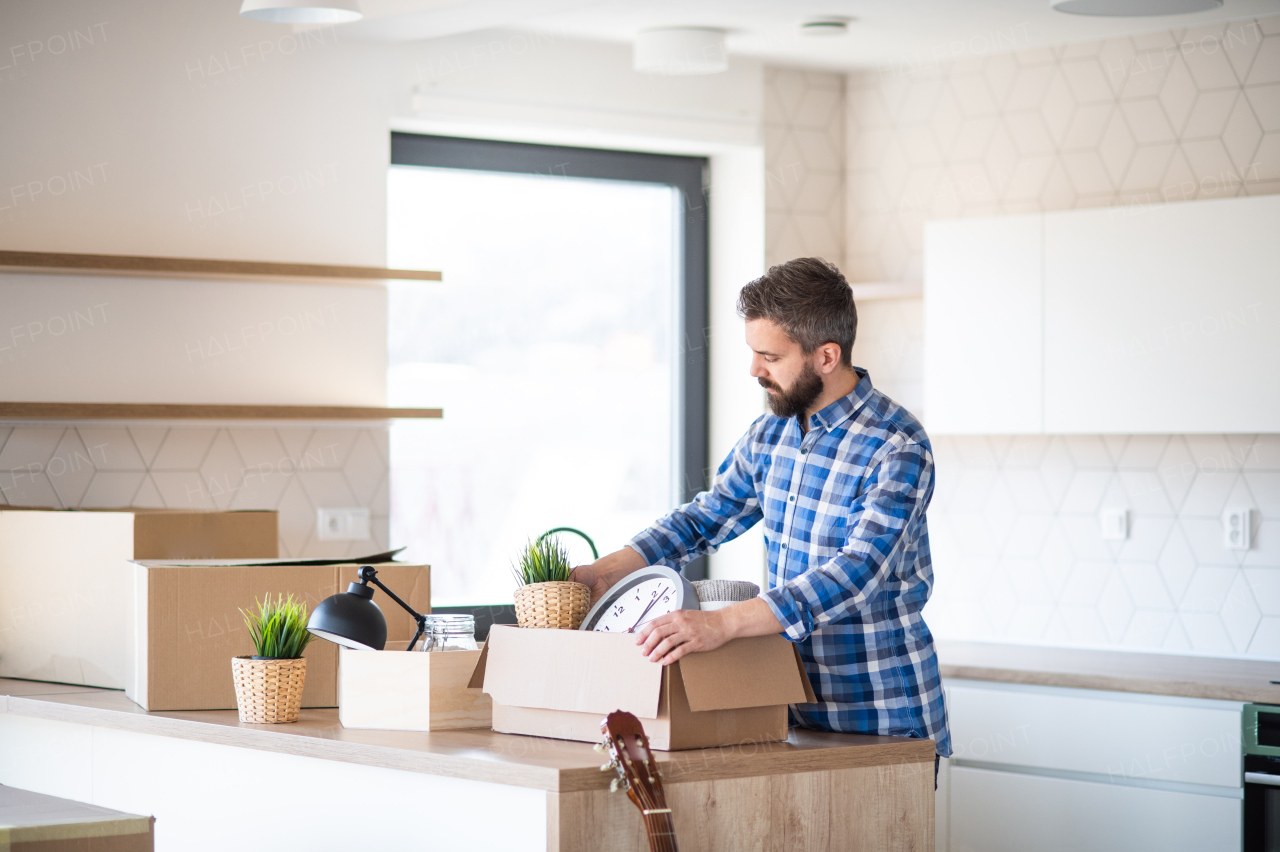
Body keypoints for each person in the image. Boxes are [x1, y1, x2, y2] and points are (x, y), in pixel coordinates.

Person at [571, 256, 951, 768]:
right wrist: (606, 571)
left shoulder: (896, 445)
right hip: (788, 710)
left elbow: (854, 574)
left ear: (826, 356)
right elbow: (707, 516)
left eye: (768, 356)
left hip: (880, 718)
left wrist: (721, 624)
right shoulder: (771, 433)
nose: (754, 370)